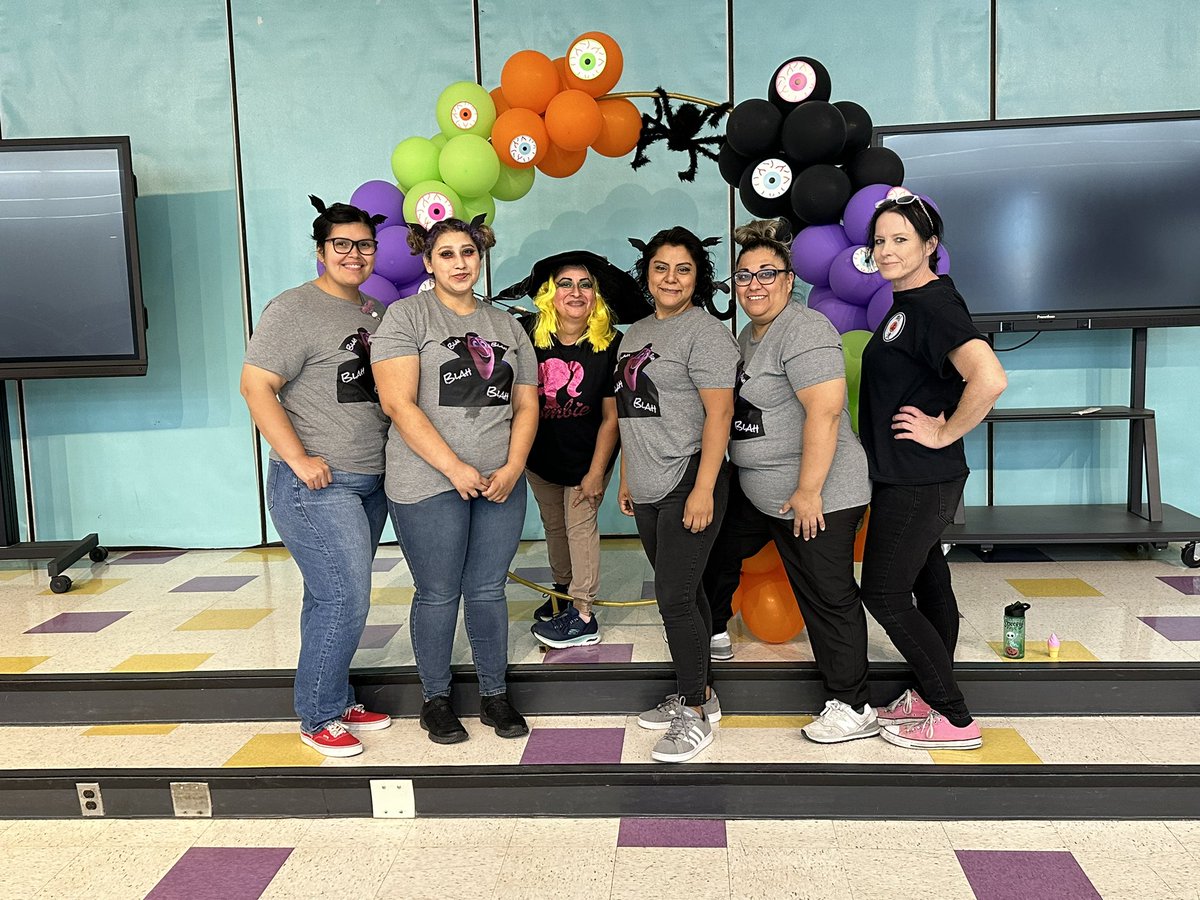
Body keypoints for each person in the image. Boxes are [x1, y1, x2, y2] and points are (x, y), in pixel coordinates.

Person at [701, 218, 875, 743]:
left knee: (827, 594)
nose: (754, 285)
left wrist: (808, 491)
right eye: (744, 275)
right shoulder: (752, 337)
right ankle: (711, 633)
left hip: (815, 494)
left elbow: (824, 412)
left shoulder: (804, 330)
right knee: (712, 549)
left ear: (788, 279)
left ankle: (852, 703)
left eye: (766, 274)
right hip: (762, 493)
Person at [371, 216, 538, 745]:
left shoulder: (507, 326)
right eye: (447, 254)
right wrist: (454, 468)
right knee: (439, 593)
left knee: (488, 590)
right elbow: (397, 404)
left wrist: (512, 468)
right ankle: (436, 700)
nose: (460, 263)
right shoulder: (406, 317)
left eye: (468, 252)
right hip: (428, 481)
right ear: (427, 261)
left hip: (498, 482)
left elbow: (527, 403)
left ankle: (494, 694)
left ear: (480, 257)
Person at [240, 195, 393, 758]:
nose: (355, 254)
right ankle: (320, 714)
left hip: (371, 481)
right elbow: (256, 387)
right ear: (321, 252)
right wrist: (300, 459)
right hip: (317, 486)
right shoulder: (292, 310)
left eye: (364, 245)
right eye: (342, 245)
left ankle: (333, 692)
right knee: (345, 598)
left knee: (326, 596)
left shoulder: (376, 313)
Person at [860, 193, 1007, 751]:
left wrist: (944, 431)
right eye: (880, 240)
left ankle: (953, 716)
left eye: (901, 240)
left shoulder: (933, 306)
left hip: (921, 478)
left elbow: (989, 377)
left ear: (930, 246)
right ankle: (929, 692)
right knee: (929, 583)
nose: (887, 250)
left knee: (883, 591)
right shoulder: (910, 303)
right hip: (913, 475)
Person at [617, 226, 739, 763]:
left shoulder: (706, 333)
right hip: (645, 483)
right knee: (684, 594)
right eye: (661, 267)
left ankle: (694, 709)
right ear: (647, 273)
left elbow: (721, 414)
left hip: (689, 478)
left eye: (683, 269)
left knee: (673, 596)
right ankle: (701, 695)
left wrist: (704, 488)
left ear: (698, 277)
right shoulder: (634, 333)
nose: (671, 277)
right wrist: (626, 476)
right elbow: (629, 410)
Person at [509, 251, 636, 648]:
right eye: (566, 284)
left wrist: (597, 472)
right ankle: (562, 595)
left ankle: (582, 614)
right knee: (555, 527)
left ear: (596, 296)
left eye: (586, 285)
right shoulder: (528, 335)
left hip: (587, 457)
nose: (576, 292)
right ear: (550, 293)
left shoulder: (612, 343)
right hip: (540, 458)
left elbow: (612, 418)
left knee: (580, 528)